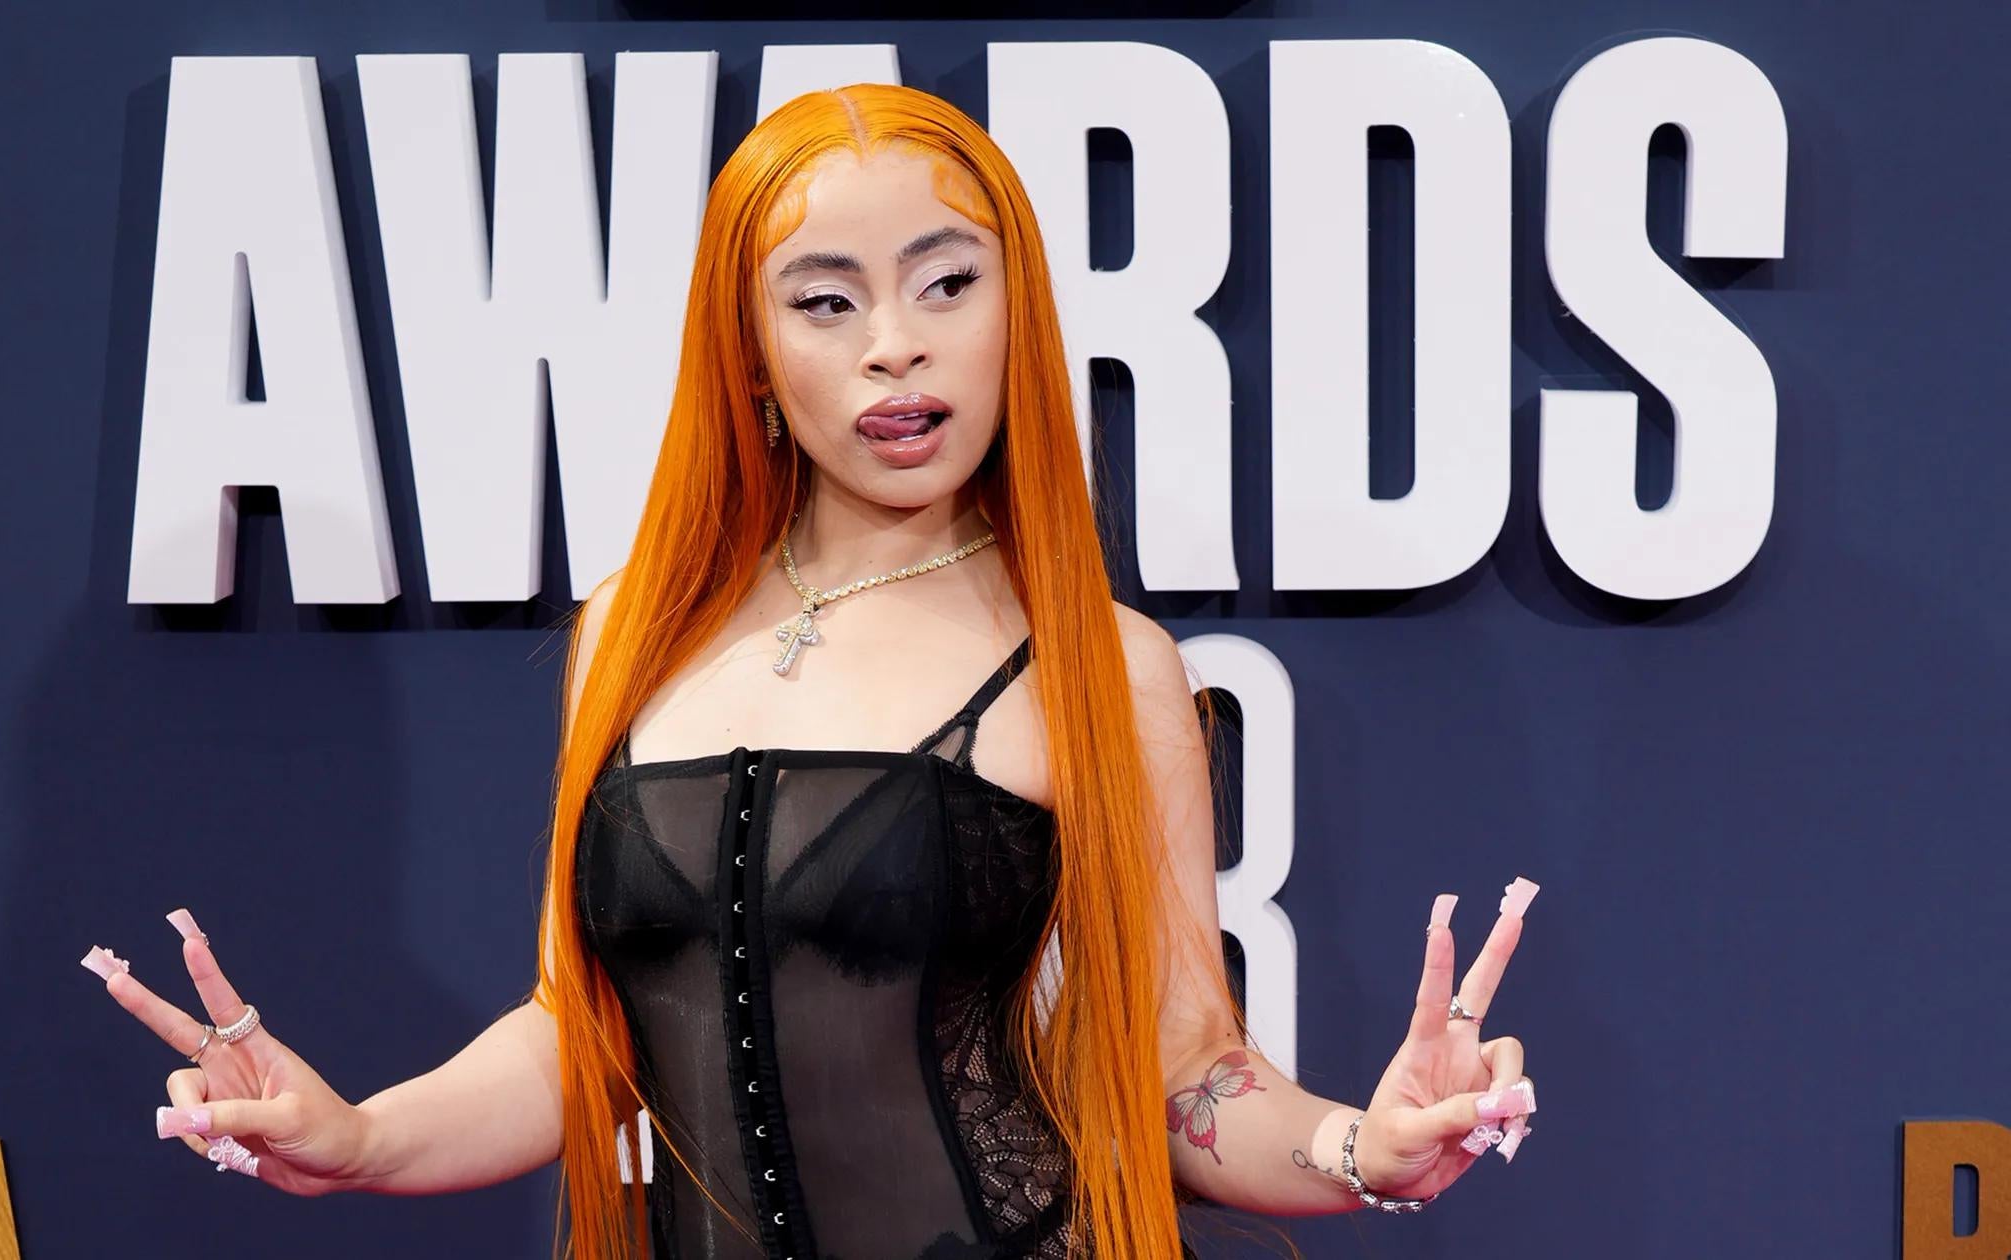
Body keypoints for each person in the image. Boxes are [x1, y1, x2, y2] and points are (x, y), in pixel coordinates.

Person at [79, 83, 1542, 1258]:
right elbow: (579, 1031)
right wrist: (362, 1141)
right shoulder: (629, 632)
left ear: (1017, 311)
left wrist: (1363, 1148)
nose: (897, 347)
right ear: (753, 350)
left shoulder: (1102, 664)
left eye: (948, 283)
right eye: (827, 301)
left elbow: (1186, 1075)